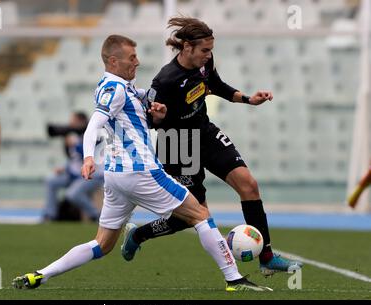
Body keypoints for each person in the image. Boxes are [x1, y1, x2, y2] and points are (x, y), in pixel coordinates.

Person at [12, 34, 271, 292]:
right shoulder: (115, 90)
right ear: (114, 61)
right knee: (200, 215)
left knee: (102, 244)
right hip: (141, 171)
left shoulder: (115, 86)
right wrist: (89, 156)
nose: (137, 62)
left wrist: (157, 115)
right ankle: (234, 280)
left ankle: (40, 275)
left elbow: (138, 114)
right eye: (132, 57)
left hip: (116, 177)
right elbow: (94, 124)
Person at [120, 17, 302, 276]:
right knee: (192, 216)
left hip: (205, 132)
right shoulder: (165, 80)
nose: (209, 55)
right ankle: (139, 234)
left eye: (210, 50)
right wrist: (156, 116)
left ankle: (267, 256)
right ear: (186, 47)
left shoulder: (205, 65)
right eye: (204, 50)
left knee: (248, 184)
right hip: (178, 145)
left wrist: (249, 99)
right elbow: (148, 119)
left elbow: (215, 85)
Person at [43, 112, 103, 222]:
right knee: (51, 180)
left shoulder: (94, 133)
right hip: (74, 174)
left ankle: (95, 215)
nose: (70, 124)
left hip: (92, 175)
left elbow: (88, 154)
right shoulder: (72, 135)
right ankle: (50, 215)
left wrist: (75, 144)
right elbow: (74, 158)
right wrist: (64, 167)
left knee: (72, 194)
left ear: (82, 122)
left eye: (74, 121)